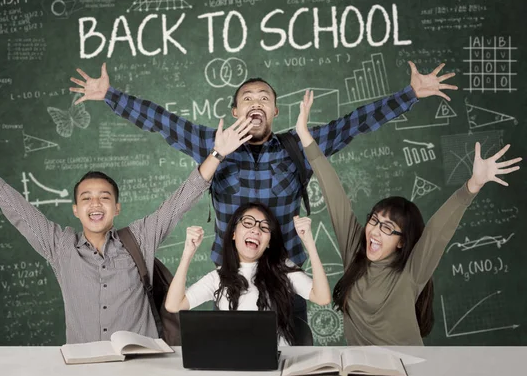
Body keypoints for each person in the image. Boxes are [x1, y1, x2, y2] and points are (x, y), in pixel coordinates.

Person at [69, 62, 457, 270]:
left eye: (264, 98)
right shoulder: (213, 144)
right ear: (235, 110)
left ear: (274, 110)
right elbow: (161, 121)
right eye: (247, 98)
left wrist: (410, 95)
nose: (256, 102)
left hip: (286, 271)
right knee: (229, 360)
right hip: (230, 272)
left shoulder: (297, 146)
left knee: (297, 358)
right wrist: (110, 96)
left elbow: (352, 124)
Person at [0, 118, 253, 344]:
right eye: (86, 198)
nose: (95, 204)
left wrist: (218, 153)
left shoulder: (140, 238)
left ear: (117, 208)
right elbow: (16, 207)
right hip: (83, 366)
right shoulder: (59, 245)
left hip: (142, 366)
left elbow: (182, 199)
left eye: (104, 198)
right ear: (75, 210)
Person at [295, 90, 522, 345]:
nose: (375, 231)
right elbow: (333, 192)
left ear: (402, 241)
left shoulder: (411, 272)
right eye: (374, 220)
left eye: (388, 228)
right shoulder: (354, 251)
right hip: (361, 371)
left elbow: (437, 231)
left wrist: (471, 187)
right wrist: (304, 136)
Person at [164, 202, 331, 346]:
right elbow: (174, 305)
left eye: (264, 227)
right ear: (234, 234)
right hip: (235, 365)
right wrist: (187, 253)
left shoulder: (282, 269)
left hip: (279, 365)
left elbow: (322, 297)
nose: (256, 230)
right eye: (248, 223)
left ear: (268, 243)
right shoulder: (218, 277)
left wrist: (309, 242)